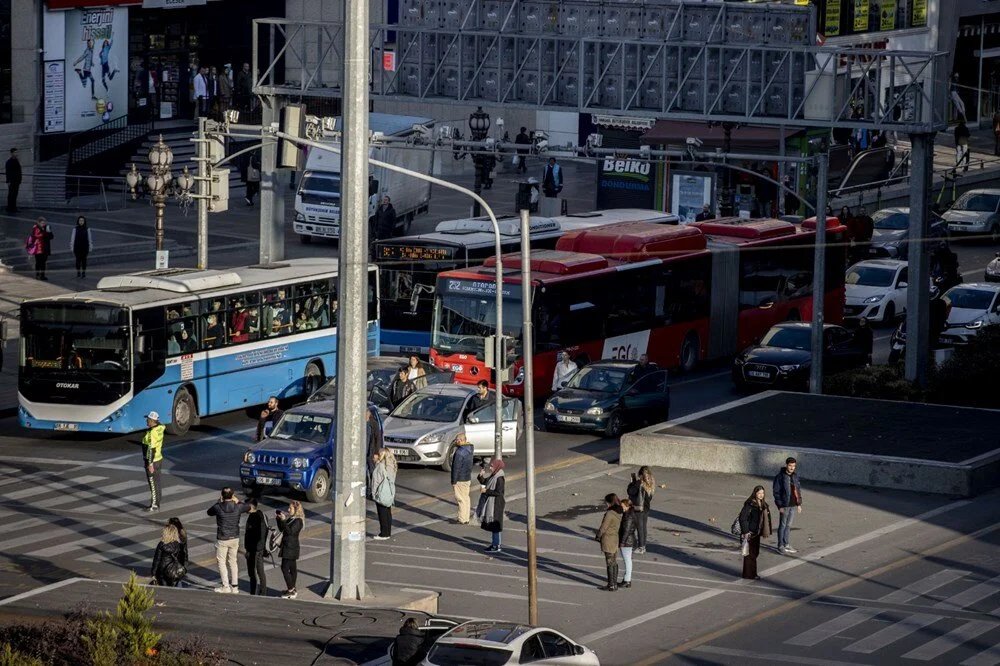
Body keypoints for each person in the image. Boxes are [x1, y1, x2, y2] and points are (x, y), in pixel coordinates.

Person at [207, 487, 251, 593]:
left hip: (222, 538)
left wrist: (218, 502)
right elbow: (248, 507)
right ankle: (235, 587)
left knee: (222, 562)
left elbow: (209, 512)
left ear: (222, 496)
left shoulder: (218, 507)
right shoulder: (238, 507)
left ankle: (225, 586)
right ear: (233, 495)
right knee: (233, 562)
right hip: (234, 537)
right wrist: (238, 501)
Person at [738, 485, 773, 580]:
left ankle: (751, 573)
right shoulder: (750, 504)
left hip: (757, 532)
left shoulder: (763, 504)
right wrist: (745, 531)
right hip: (750, 532)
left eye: (762, 493)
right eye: (759, 493)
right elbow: (743, 518)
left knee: (755, 553)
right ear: (755, 493)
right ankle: (749, 574)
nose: (761, 495)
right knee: (750, 554)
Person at [772, 457, 802, 555]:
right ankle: (780, 546)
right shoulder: (780, 477)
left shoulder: (795, 476)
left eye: (794, 466)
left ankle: (786, 544)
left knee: (788, 526)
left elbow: (797, 490)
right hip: (784, 505)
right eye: (790, 465)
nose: (792, 468)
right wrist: (779, 506)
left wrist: (799, 504)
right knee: (783, 525)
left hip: (793, 505)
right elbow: (776, 492)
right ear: (786, 465)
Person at [276, 500, 304, 599]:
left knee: (284, 568)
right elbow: (282, 529)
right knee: (292, 568)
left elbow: (290, 532)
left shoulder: (298, 521)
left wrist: (284, 521)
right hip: (288, 546)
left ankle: (291, 590)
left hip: (291, 548)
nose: (288, 510)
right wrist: (279, 519)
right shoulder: (291, 519)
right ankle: (292, 588)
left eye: (290, 508)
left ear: (296, 510)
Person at [477, 457, 506, 552]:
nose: (490, 468)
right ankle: (495, 544)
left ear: (497, 467)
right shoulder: (494, 475)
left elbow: (499, 492)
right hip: (492, 503)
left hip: (496, 504)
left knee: (495, 525)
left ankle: (496, 545)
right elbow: (485, 482)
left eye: (492, 466)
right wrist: (480, 476)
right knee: (494, 525)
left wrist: (487, 491)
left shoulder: (499, 478)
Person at [596, 493, 622, 591]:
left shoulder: (610, 513)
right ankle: (614, 583)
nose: (606, 504)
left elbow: (604, 527)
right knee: (614, 562)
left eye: (606, 502)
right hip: (615, 538)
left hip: (608, 539)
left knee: (609, 562)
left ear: (609, 502)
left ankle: (611, 585)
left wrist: (598, 536)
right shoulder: (619, 511)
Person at [626, 466, 654, 554]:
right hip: (646, 508)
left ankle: (641, 547)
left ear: (640, 475)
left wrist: (633, 483)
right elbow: (649, 497)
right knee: (643, 527)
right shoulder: (651, 482)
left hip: (639, 508)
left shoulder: (639, 483)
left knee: (639, 528)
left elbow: (631, 492)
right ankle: (643, 546)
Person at [371, 448, 398, 540]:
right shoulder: (391, 465)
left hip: (381, 492)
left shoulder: (380, 466)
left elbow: (376, 481)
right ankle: (388, 532)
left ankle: (383, 534)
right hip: (389, 491)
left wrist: (373, 494)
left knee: (382, 513)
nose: (374, 456)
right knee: (387, 512)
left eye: (377, 454)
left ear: (381, 455)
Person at [141, 411, 165, 512]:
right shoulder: (159, 428)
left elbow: (152, 449)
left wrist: (150, 464)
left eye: (148, 419)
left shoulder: (152, 433)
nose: (146, 420)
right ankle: (158, 501)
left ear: (152, 421)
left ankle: (154, 505)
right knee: (157, 482)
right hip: (159, 459)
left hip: (153, 461)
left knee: (152, 483)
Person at [244, 497, 267, 596]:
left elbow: (253, 535)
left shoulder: (253, 517)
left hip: (254, 549)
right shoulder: (262, 514)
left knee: (252, 572)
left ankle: (254, 592)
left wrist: (249, 550)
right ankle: (262, 592)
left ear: (251, 507)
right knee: (260, 571)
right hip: (260, 548)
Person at [450, 432, 474, 525]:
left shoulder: (459, 452)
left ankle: (462, 519)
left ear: (461, 440)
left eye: (457, 440)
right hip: (467, 477)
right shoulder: (470, 449)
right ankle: (466, 517)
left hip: (460, 479)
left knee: (460, 499)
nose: (456, 442)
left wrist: (453, 481)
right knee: (466, 498)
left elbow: (456, 468)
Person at [618, 498, 639, 589]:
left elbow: (626, 530)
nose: (622, 508)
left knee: (627, 561)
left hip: (627, 542)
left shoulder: (628, 516)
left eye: (623, 506)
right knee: (628, 561)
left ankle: (627, 580)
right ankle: (627, 580)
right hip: (630, 540)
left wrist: (622, 542)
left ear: (628, 506)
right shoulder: (631, 513)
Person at [5, 147, 21, 213]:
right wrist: (8, 181)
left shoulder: (16, 160)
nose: (16, 153)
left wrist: (19, 180)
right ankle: (10, 208)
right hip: (12, 181)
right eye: (15, 152)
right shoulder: (9, 162)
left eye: (17, 152)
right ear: (11, 153)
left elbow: (18, 171)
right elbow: (8, 172)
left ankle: (13, 207)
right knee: (11, 194)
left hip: (16, 180)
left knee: (15, 194)